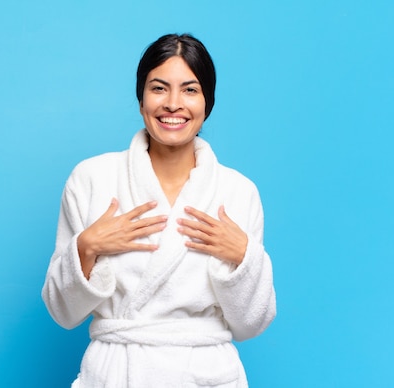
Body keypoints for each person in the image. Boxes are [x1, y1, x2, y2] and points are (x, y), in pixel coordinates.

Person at [42, 33, 276, 387]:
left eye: (190, 90)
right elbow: (63, 313)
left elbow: (251, 324)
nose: (173, 103)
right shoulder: (92, 179)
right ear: (140, 99)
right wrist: (86, 247)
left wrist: (244, 258)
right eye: (158, 88)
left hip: (205, 375)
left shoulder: (238, 192)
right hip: (117, 372)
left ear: (207, 103)